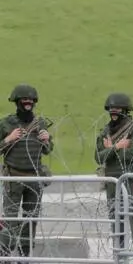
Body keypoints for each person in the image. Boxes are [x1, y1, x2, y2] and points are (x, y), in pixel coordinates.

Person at [96, 93, 133, 263]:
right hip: (113, 182)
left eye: (118, 109)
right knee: (116, 220)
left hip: (132, 180)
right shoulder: (105, 130)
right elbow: (99, 157)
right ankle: (120, 257)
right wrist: (117, 147)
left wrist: (110, 150)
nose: (114, 112)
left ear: (126, 110)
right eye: (111, 109)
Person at [0, 85, 52, 259]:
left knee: (30, 222)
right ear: (17, 102)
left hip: (34, 179)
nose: (28, 103)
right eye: (24, 101)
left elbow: (47, 150)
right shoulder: (6, 123)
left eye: (30, 101)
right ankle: (5, 255)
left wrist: (47, 140)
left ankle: (25, 256)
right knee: (11, 222)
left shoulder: (40, 123)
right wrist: (8, 139)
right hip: (13, 179)